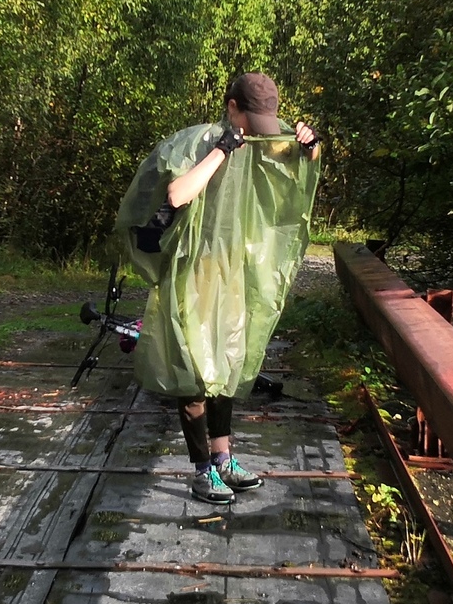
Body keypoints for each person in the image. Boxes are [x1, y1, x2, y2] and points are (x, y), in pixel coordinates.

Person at [113, 72, 322, 503]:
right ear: (231, 107)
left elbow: (301, 169)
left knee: (225, 367)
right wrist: (222, 150)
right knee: (193, 373)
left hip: (231, 274)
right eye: (249, 119)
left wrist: (310, 144)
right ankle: (201, 468)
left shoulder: (264, 141)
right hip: (191, 273)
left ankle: (224, 457)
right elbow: (177, 193)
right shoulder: (197, 141)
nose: (257, 131)